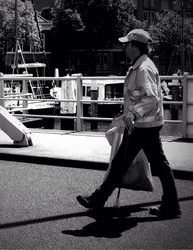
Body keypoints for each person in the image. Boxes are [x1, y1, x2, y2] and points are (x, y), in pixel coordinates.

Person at [76, 29, 181, 218]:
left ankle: (99, 198)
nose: (124, 47)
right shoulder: (139, 65)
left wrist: (133, 113)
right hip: (143, 125)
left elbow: (151, 97)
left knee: (137, 163)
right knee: (132, 162)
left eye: (127, 44)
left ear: (135, 46)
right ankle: (170, 204)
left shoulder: (143, 69)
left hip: (145, 126)